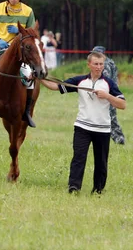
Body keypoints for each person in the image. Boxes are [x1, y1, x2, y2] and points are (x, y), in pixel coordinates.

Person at [40, 51, 126, 194]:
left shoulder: (108, 84)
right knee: (78, 158)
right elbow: (56, 86)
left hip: (102, 130)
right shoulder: (80, 82)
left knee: (101, 162)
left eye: (101, 64)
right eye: (96, 64)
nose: (99, 67)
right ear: (89, 65)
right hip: (82, 127)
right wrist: (39, 78)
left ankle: (98, 190)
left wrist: (107, 96)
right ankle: (74, 187)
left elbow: (122, 104)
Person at [92, 45, 126, 145]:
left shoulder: (105, 66)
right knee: (111, 119)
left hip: (107, 96)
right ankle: (118, 138)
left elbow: (104, 82)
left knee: (110, 119)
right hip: (112, 94)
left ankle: (119, 139)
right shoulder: (110, 62)